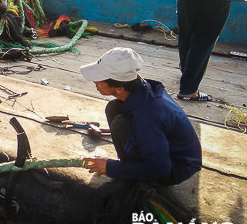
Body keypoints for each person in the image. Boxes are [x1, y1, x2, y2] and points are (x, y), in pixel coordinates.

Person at [81, 48, 202, 185]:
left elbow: (160, 168)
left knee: (120, 124)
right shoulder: (143, 89)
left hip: (175, 169)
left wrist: (110, 167)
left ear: (120, 88)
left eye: (99, 80)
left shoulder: (147, 117)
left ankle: (134, 173)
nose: (95, 83)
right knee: (114, 108)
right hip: (168, 152)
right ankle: (129, 165)